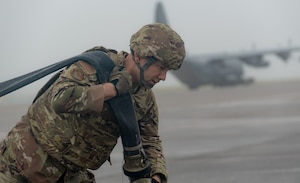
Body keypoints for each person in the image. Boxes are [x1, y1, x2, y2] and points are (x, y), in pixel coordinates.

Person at [0, 23, 185, 183]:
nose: (163, 77)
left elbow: (150, 140)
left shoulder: (145, 100)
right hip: (21, 164)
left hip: (70, 175)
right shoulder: (94, 67)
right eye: (160, 68)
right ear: (138, 56)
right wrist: (110, 90)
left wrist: (157, 175)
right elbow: (60, 99)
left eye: (167, 70)